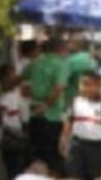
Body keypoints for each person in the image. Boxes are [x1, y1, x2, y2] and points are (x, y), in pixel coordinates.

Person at [59, 71, 101, 180]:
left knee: (94, 176)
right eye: (81, 84)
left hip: (96, 146)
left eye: (88, 84)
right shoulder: (75, 102)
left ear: (98, 86)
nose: (83, 88)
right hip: (77, 143)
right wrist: (63, 139)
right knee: (74, 173)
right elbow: (68, 121)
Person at [24, 35, 69, 172]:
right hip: (52, 115)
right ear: (61, 49)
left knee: (36, 153)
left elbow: (22, 80)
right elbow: (59, 87)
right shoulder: (61, 65)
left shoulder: (34, 63)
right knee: (52, 155)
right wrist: (47, 105)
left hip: (34, 114)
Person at [0, 63, 30, 180]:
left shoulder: (15, 94)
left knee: (18, 168)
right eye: (11, 74)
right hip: (10, 136)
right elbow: (0, 118)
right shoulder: (4, 98)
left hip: (18, 134)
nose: (15, 77)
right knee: (13, 169)